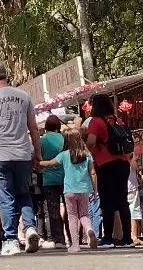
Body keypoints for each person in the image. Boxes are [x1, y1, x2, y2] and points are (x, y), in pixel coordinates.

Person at [0, 60, 41, 256]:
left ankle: (10, 239)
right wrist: (37, 153)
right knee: (24, 193)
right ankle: (29, 228)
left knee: (5, 197)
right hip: (22, 154)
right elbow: (34, 128)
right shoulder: (24, 96)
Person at [84, 95, 133, 248]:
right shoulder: (118, 120)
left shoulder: (96, 122)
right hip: (123, 163)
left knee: (106, 201)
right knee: (122, 201)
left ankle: (108, 238)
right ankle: (127, 238)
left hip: (105, 164)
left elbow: (91, 141)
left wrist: (87, 153)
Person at [40, 128, 96, 253]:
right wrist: (94, 189)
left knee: (72, 216)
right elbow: (92, 172)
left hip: (69, 190)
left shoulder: (64, 155)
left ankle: (75, 245)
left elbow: (50, 163)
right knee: (84, 214)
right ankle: (89, 230)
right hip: (84, 189)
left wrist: (39, 162)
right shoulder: (87, 154)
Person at [39, 115, 66, 248]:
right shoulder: (64, 138)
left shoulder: (42, 140)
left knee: (53, 209)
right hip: (66, 177)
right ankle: (73, 237)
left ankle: (59, 239)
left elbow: (36, 157)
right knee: (70, 208)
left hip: (48, 179)